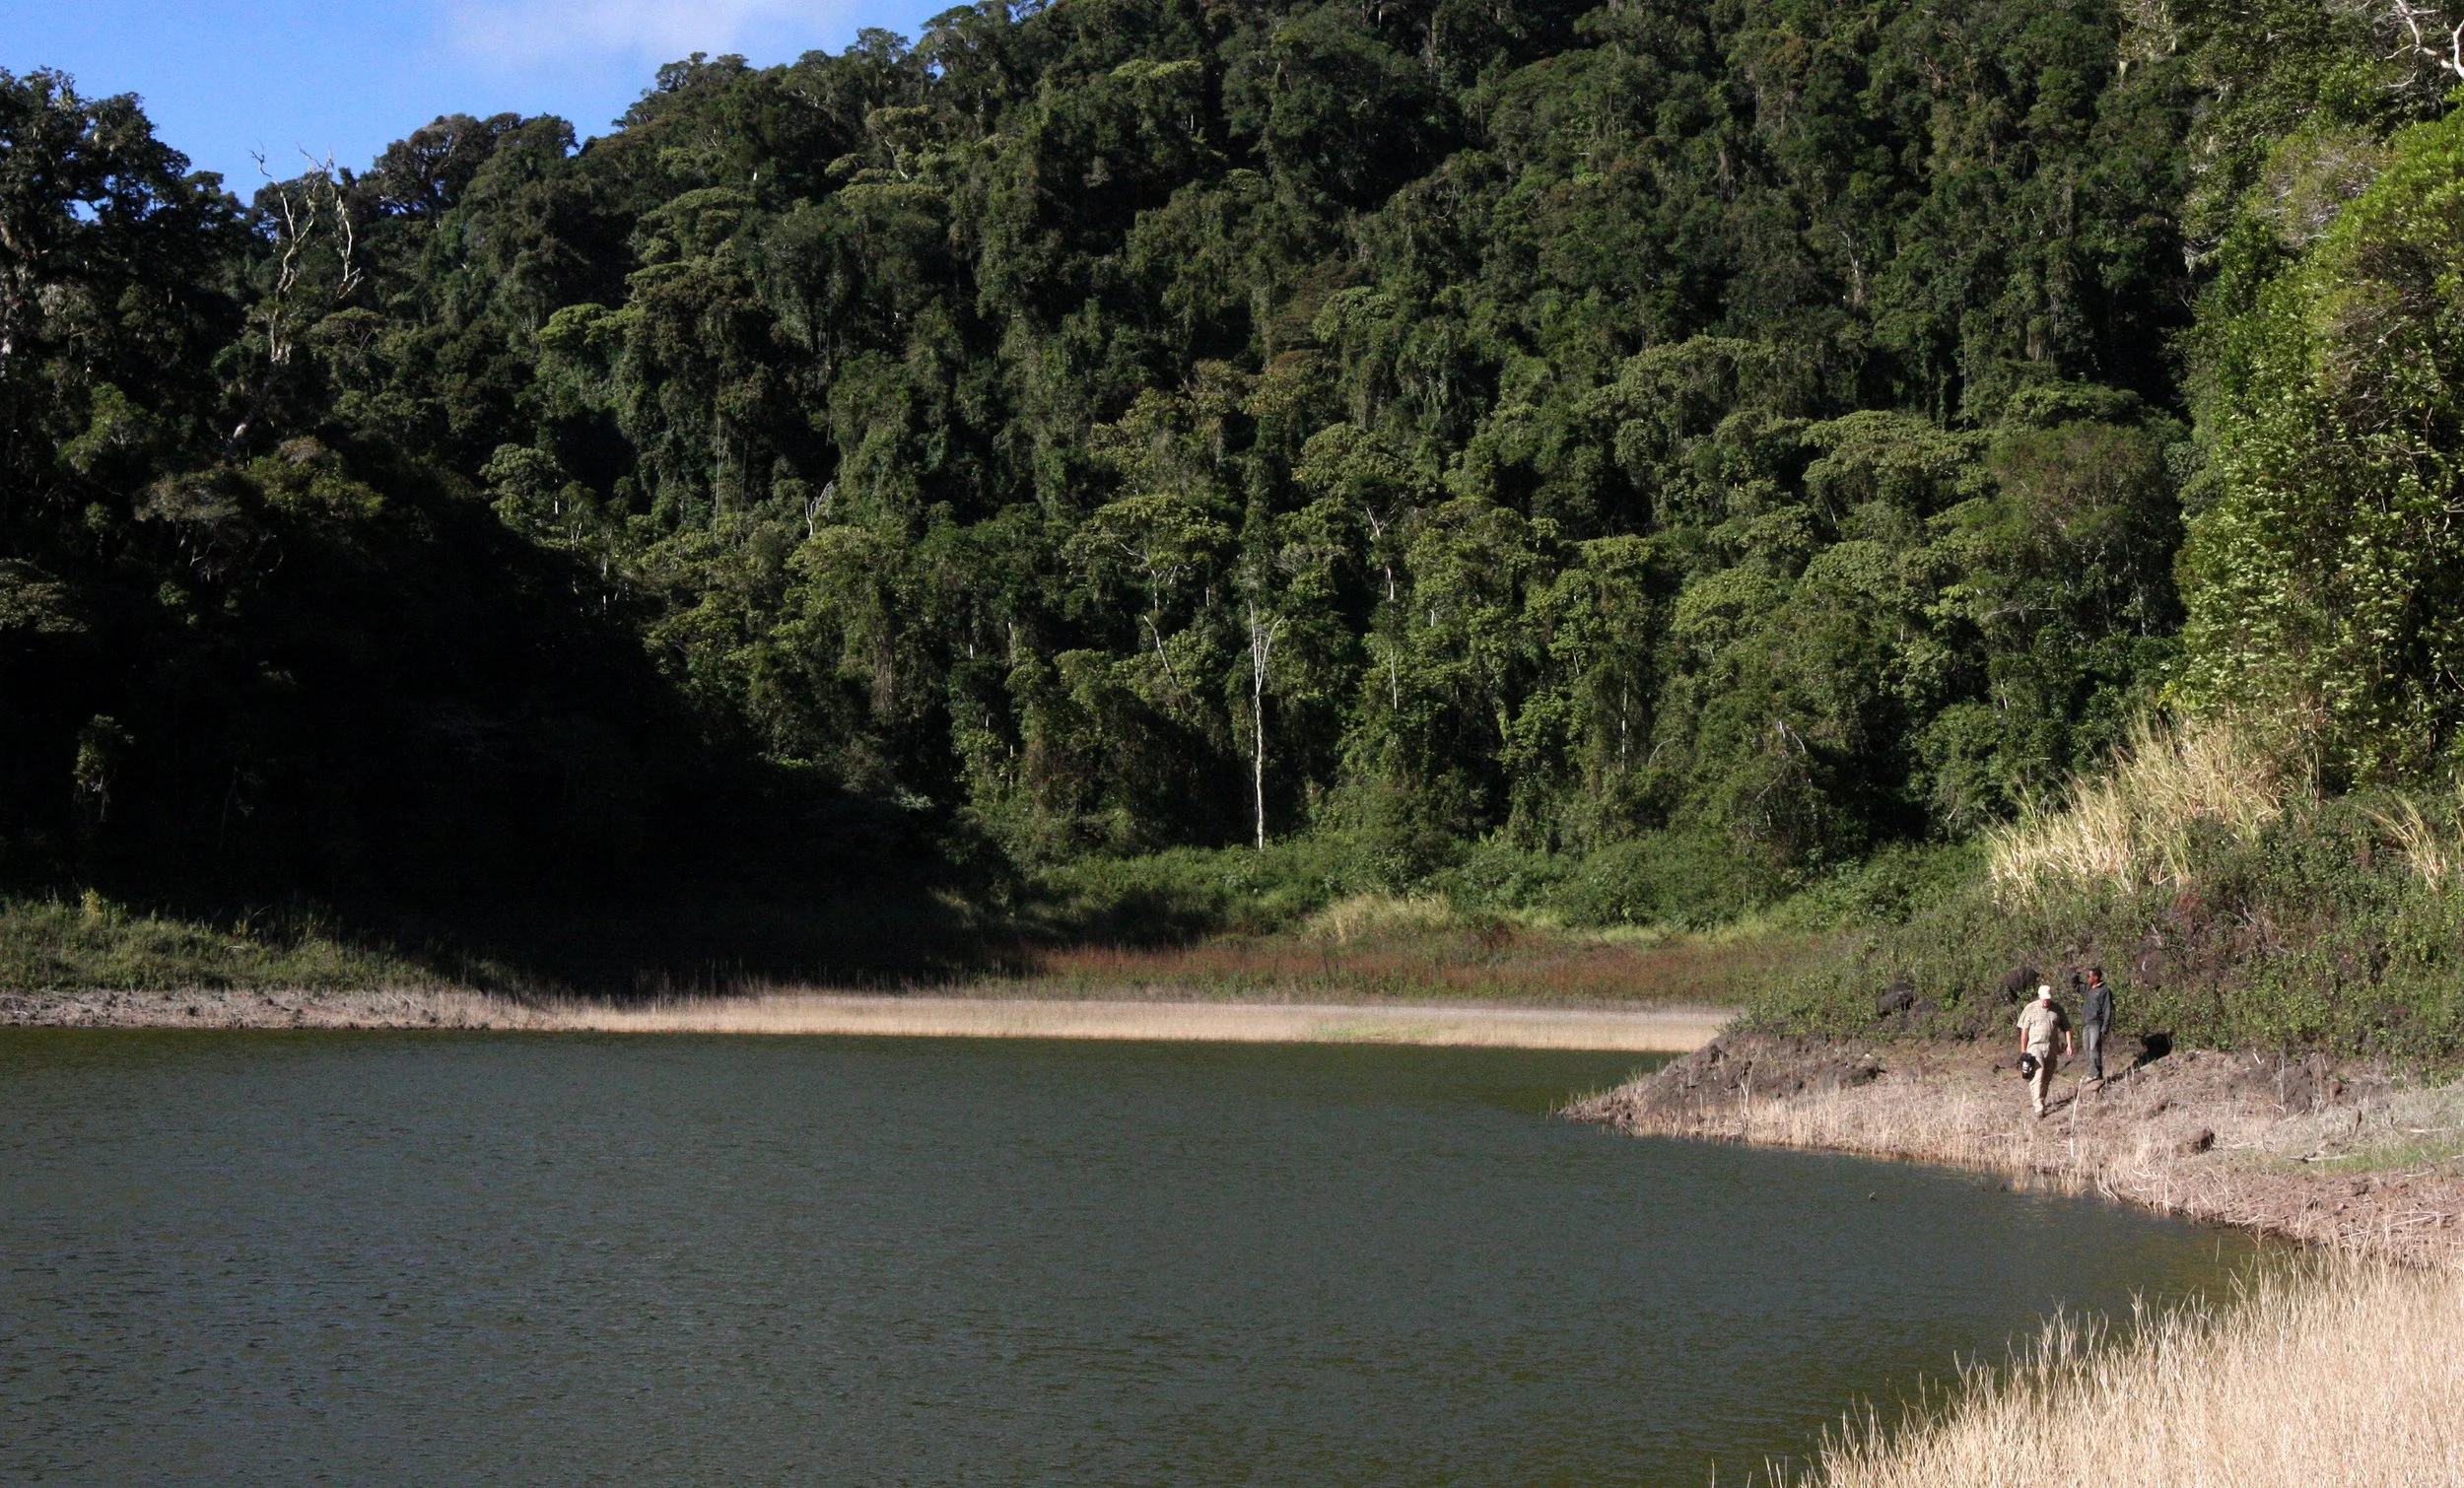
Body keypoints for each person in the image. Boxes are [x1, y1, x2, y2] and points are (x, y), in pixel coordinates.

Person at [2016, 984, 2073, 1118]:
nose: (2046, 1001)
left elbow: (2067, 1028)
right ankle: (2038, 1107)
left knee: (2047, 1076)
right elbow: (2024, 1032)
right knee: (2038, 1074)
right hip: (2035, 1047)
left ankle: (2041, 1098)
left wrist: (2069, 1044)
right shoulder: (2030, 1009)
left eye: (2048, 999)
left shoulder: (2057, 1009)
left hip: (2051, 1047)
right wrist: (2023, 1051)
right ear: (2040, 997)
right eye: (2044, 999)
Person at [2080, 966, 2113, 1082]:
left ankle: (2093, 1073)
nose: (2087, 978)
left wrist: (2105, 1026)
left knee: (2094, 1047)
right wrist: (2076, 973)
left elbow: (2108, 1009)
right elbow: (2074, 984)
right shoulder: (2088, 988)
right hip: (2086, 1023)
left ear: (2096, 977)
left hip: (2096, 1023)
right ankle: (2096, 1073)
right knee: (2087, 1048)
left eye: (2089, 976)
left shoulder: (2104, 990)